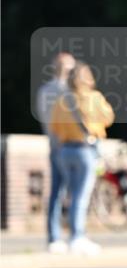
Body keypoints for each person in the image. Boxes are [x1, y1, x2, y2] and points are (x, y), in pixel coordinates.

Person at [49, 60, 115, 255]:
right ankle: (77, 236)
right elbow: (109, 117)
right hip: (86, 150)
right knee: (81, 196)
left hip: (65, 150)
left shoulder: (62, 100)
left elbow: (54, 127)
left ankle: (67, 235)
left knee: (70, 195)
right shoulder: (94, 98)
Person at [36, 51, 76, 253]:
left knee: (59, 192)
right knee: (71, 193)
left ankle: (57, 236)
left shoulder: (46, 90)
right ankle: (71, 235)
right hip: (67, 146)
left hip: (57, 146)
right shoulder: (66, 91)